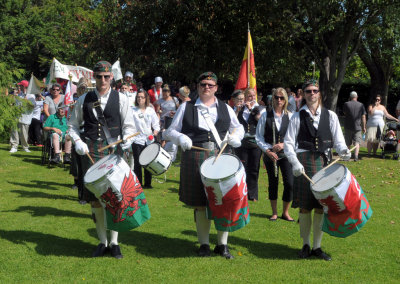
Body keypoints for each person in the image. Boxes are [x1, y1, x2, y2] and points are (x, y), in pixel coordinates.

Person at [164, 71, 244, 259]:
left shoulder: (225, 107)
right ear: (197, 87)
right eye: (203, 84)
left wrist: (236, 136)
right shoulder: (186, 107)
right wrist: (181, 137)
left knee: (224, 201)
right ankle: (204, 244)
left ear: (216, 88)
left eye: (210, 85)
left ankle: (222, 245)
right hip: (195, 156)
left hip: (221, 156)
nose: (206, 87)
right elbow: (169, 132)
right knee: (200, 203)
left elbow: (238, 127)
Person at [67, 61, 136, 259]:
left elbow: (130, 126)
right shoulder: (83, 99)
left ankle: (114, 243)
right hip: (90, 151)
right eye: (99, 76)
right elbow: (72, 125)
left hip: (114, 152)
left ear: (112, 78)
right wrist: (78, 141)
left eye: (106, 77)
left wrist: (126, 141)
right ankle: (101, 241)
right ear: (94, 78)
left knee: (115, 197)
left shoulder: (121, 98)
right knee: (95, 199)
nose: (103, 80)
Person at [284, 80, 351, 261]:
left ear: (319, 94)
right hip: (303, 163)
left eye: (315, 91)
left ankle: (317, 247)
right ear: (303, 94)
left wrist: (344, 151)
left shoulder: (331, 116)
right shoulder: (296, 117)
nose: (312, 94)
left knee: (322, 207)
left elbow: (339, 140)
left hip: (324, 163)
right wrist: (295, 162)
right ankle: (305, 245)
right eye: (308, 91)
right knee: (305, 208)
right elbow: (288, 144)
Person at [256, 87, 294, 221]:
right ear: (272, 99)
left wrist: (283, 144)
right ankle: (274, 212)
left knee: (289, 183)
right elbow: (258, 137)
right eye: (276, 98)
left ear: (285, 100)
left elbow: (294, 138)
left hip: (286, 154)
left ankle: (285, 212)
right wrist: (268, 150)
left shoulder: (290, 116)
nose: (279, 100)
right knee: (273, 183)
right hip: (270, 154)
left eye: (281, 98)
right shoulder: (266, 115)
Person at [235, 88, 264, 201]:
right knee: (242, 168)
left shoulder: (260, 109)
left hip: (255, 143)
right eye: (249, 96)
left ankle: (252, 195)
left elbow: (261, 123)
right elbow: (234, 122)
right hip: (242, 143)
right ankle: (242, 192)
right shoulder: (240, 108)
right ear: (245, 97)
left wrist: (252, 110)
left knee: (254, 169)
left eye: (253, 96)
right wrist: (238, 110)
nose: (251, 98)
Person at [131, 89, 160, 189]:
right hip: (137, 140)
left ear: (146, 98)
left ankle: (148, 184)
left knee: (148, 162)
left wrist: (154, 133)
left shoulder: (150, 110)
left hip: (149, 140)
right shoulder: (133, 110)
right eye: (138, 97)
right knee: (138, 163)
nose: (140, 99)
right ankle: (139, 184)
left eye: (142, 97)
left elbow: (156, 126)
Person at [9, 80, 35, 153]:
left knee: (24, 133)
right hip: (16, 116)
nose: (18, 87)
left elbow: (33, 106)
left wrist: (27, 101)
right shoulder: (19, 95)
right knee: (14, 132)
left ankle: (25, 147)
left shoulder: (31, 95)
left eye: (20, 85)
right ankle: (14, 146)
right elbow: (14, 104)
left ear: (24, 86)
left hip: (25, 117)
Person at [342, 91, 367, 161]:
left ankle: (347, 156)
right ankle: (356, 156)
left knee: (348, 142)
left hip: (348, 126)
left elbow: (344, 113)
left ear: (350, 97)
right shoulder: (361, 105)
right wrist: (364, 127)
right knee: (357, 142)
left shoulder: (346, 104)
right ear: (357, 97)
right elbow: (363, 117)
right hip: (358, 127)